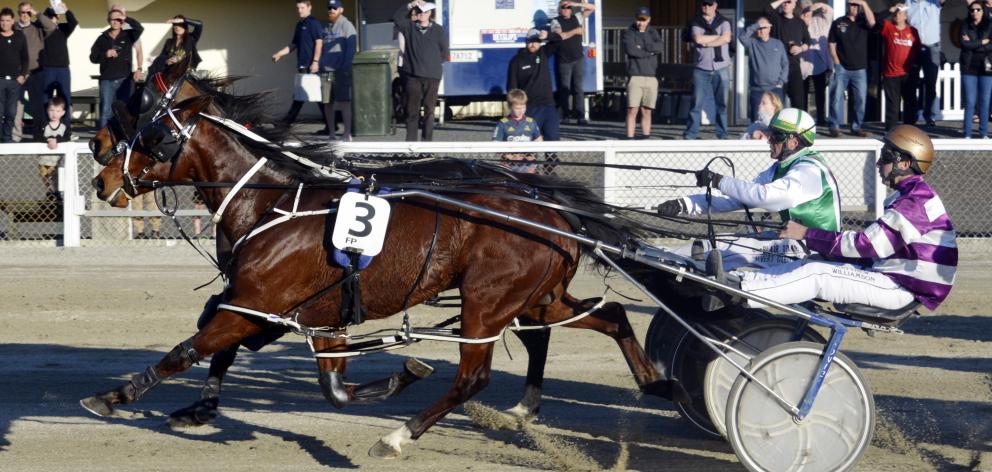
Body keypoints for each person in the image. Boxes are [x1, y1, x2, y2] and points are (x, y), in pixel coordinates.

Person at [724, 125, 956, 313]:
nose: (878, 163)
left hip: (904, 287)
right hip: (893, 276)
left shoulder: (915, 202)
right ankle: (741, 280)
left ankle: (743, 290)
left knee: (818, 274)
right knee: (814, 263)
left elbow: (865, 245)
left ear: (904, 164)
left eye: (885, 156)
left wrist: (806, 233)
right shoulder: (909, 196)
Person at [660, 108, 841, 272]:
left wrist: (718, 180)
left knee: (721, 250)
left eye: (776, 135)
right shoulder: (779, 168)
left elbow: (765, 198)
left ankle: (666, 261)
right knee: (713, 244)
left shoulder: (809, 170)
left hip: (818, 253)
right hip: (795, 243)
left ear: (793, 142)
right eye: (770, 134)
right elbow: (736, 197)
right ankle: (663, 258)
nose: (769, 139)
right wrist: (685, 204)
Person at [393, 0, 448, 142]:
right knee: (412, 111)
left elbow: (444, 52)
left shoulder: (438, 30)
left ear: (430, 13)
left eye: (425, 12)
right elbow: (397, 18)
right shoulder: (409, 27)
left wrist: (432, 64)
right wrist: (410, 5)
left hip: (433, 76)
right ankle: (411, 144)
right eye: (419, 12)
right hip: (413, 76)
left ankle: (427, 144)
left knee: (429, 111)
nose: (422, 14)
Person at [683, 0, 732, 140]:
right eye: (704, 4)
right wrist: (719, 37)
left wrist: (708, 41)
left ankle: (722, 134)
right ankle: (691, 133)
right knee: (696, 103)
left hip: (721, 67)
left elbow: (727, 38)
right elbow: (698, 39)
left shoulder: (724, 22)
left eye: (710, 4)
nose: (706, 7)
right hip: (701, 68)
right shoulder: (696, 22)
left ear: (716, 5)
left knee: (722, 104)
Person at [89, 5, 143, 129]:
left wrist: (126, 18)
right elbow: (92, 58)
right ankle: (104, 139)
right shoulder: (102, 38)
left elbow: (139, 28)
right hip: (106, 80)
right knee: (106, 112)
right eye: (113, 19)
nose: (116, 21)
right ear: (108, 20)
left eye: (119, 19)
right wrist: (105, 54)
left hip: (124, 79)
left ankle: (123, 138)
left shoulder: (129, 35)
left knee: (124, 112)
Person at [271, 0, 324, 126]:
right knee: (306, 95)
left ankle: (287, 122)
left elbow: (319, 42)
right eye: (298, 8)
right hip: (302, 65)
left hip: (311, 67)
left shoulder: (313, 23)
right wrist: (279, 54)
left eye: (302, 8)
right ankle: (329, 124)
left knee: (307, 96)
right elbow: (294, 44)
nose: (300, 10)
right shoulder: (300, 25)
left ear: (309, 7)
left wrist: (315, 62)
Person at [827, 0, 875, 138]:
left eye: (856, 5)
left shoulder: (863, 22)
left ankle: (856, 126)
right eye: (852, 4)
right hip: (842, 67)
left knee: (860, 100)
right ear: (848, 6)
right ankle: (834, 126)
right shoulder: (838, 22)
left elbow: (872, 22)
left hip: (860, 69)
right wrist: (836, 62)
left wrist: (864, 3)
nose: (854, 7)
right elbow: (831, 43)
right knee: (835, 98)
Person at [508, 29, 561, 141]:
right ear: (526, 42)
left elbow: (559, 40)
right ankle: (529, 158)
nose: (533, 44)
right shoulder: (516, 61)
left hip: (548, 105)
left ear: (540, 42)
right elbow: (512, 87)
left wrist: (548, 35)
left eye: (536, 41)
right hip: (530, 107)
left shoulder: (543, 53)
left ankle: (552, 158)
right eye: (530, 41)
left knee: (553, 137)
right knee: (529, 138)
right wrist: (515, 107)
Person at [13, 2, 54, 141]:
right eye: (22, 12)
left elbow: (51, 26)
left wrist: (37, 13)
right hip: (17, 74)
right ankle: (15, 137)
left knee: (38, 106)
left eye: (28, 12)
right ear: (18, 13)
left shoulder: (38, 27)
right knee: (16, 107)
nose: (25, 15)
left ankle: (38, 136)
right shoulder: (13, 28)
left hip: (37, 72)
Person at [551, 0, 595, 125]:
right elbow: (561, 36)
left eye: (568, 7)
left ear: (571, 9)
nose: (566, 9)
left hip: (578, 59)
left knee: (578, 88)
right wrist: (576, 31)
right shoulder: (555, 21)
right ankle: (565, 116)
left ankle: (580, 116)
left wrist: (577, 5)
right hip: (564, 60)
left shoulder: (577, 17)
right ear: (560, 9)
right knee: (565, 89)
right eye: (563, 7)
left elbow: (593, 8)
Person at [318, 0, 356, 142]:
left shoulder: (347, 26)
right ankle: (332, 133)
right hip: (325, 71)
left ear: (341, 10)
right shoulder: (326, 27)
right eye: (329, 8)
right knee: (327, 103)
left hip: (340, 71)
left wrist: (344, 67)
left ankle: (347, 133)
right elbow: (321, 48)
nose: (331, 10)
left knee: (344, 102)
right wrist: (320, 65)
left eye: (334, 8)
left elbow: (351, 49)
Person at [622, 6, 662, 140]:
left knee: (647, 110)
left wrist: (643, 47)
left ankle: (646, 137)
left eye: (643, 20)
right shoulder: (629, 32)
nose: (641, 22)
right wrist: (649, 52)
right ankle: (629, 138)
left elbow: (660, 47)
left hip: (651, 77)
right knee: (632, 109)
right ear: (635, 19)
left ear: (648, 19)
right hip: (635, 76)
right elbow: (631, 50)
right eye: (639, 19)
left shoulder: (653, 32)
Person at [739, 16, 788, 122]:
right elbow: (742, 37)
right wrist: (757, 25)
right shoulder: (752, 43)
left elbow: (785, 64)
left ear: (769, 29)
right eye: (759, 28)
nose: (760, 30)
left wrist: (781, 82)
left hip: (775, 88)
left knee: (778, 119)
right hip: (757, 89)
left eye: (764, 27)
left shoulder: (778, 44)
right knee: (756, 120)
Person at [880, 4, 920, 131]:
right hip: (891, 74)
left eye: (900, 13)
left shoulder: (912, 31)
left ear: (905, 16)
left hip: (908, 73)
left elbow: (918, 50)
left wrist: (915, 68)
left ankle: (910, 130)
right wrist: (890, 9)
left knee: (910, 102)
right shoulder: (889, 28)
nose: (897, 15)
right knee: (893, 105)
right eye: (896, 13)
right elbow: (878, 20)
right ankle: (890, 131)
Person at [766, 0, 812, 110]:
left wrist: (800, 48)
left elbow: (808, 41)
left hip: (794, 67)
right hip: (777, 68)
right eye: (784, 2)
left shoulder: (799, 22)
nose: (786, 4)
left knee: (798, 101)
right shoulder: (776, 18)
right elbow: (767, 9)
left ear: (794, 5)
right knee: (776, 101)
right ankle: (775, 126)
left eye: (789, 2)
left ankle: (797, 127)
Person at [906, 0, 945, 127]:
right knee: (911, 83)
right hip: (913, 46)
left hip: (932, 45)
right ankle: (912, 114)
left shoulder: (934, 2)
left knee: (930, 83)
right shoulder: (908, 3)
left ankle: (929, 115)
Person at [39, 5, 75, 132]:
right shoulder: (44, 30)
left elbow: (73, 22)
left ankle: (65, 130)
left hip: (63, 69)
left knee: (65, 99)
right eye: (51, 17)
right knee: (46, 99)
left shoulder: (64, 28)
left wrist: (65, 10)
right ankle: (45, 128)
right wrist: (49, 9)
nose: (54, 19)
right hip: (48, 69)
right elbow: (39, 21)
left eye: (56, 16)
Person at [959, 1, 992, 139]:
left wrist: (973, 44)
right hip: (968, 68)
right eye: (972, 10)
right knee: (970, 101)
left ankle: (983, 133)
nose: (975, 12)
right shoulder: (965, 25)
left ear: (983, 11)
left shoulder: (990, 25)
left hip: (986, 67)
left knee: (985, 101)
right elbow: (964, 45)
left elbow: (991, 45)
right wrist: (982, 42)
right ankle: (967, 133)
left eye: (978, 10)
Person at [799, 1, 833, 126]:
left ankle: (821, 119)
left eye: (808, 9)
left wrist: (817, 5)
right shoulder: (797, 22)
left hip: (819, 64)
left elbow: (829, 11)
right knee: (802, 95)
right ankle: (802, 120)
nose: (806, 12)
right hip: (802, 65)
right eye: (804, 9)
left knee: (820, 94)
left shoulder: (820, 21)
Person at [493, 89, 542, 174]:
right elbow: (495, 144)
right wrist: (510, 156)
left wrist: (531, 154)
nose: (521, 111)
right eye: (517, 108)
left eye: (523, 107)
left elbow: (539, 140)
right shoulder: (502, 123)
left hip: (527, 163)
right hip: (508, 164)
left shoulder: (531, 122)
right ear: (509, 107)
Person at [0, 8, 27, 143]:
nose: (5, 23)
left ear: (12, 21)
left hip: (14, 82)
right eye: (2, 21)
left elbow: (25, 57)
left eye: (7, 20)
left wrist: (22, 74)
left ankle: (6, 138)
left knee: (11, 113)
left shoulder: (19, 36)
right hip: (0, 80)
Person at [38, 96, 66, 198]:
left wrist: (57, 140)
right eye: (52, 110)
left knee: (57, 177)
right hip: (44, 159)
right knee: (44, 177)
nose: (54, 114)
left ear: (63, 112)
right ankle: (50, 192)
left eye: (58, 111)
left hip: (57, 160)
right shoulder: (44, 125)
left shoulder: (64, 127)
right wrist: (48, 140)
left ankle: (58, 193)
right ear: (47, 111)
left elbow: (67, 137)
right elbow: (37, 137)